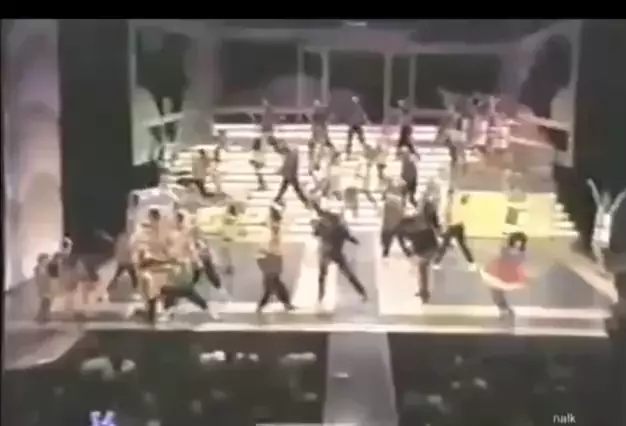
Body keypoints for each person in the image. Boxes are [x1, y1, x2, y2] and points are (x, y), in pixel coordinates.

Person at [310, 199, 368, 307]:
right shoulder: (339, 227)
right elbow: (349, 237)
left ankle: (320, 296)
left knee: (322, 276)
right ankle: (362, 292)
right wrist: (355, 241)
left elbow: (315, 233)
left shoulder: (324, 224)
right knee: (348, 274)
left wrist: (316, 226)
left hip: (326, 253)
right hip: (336, 253)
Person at [396, 200, 442, 303]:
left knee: (422, 268)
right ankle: (423, 291)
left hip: (427, 247)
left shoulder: (407, 225)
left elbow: (402, 240)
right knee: (422, 268)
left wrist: (407, 250)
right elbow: (401, 240)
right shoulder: (409, 224)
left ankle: (424, 293)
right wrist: (407, 250)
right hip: (427, 246)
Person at [256, 202, 295, 313]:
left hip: (272, 255)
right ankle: (283, 303)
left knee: (272, 281)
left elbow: (272, 240)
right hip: (270, 256)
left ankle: (280, 303)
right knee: (273, 281)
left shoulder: (274, 225)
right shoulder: (273, 225)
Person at [480, 232, 528, 320]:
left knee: (498, 292)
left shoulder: (521, 253)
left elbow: (520, 262)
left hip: (511, 273)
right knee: (496, 292)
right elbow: (496, 258)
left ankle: (505, 310)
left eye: (520, 242)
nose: (518, 244)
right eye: (516, 242)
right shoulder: (504, 250)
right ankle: (504, 309)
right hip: (501, 272)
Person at [432, 193, 476, 270]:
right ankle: (471, 263)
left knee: (445, 245)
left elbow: (447, 216)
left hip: (454, 227)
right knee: (461, 245)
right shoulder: (455, 204)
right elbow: (448, 216)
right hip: (458, 226)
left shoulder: (452, 204)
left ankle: (436, 263)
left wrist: (445, 225)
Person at [272, 139, 310, 207]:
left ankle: (306, 201)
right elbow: (287, 163)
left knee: (293, 188)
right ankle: (277, 199)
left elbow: (288, 164)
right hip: (291, 173)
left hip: (291, 174)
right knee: (286, 187)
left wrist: (280, 171)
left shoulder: (290, 152)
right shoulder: (291, 151)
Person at [380, 178, 412, 258]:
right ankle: (406, 251)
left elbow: (383, 199)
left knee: (390, 235)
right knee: (399, 236)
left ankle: (386, 251)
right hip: (396, 218)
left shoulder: (390, 192)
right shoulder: (399, 196)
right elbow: (402, 207)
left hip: (390, 217)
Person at [308, 99, 335, 174]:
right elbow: (324, 125)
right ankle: (316, 163)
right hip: (320, 132)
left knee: (315, 148)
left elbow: (313, 124)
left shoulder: (315, 114)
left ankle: (313, 165)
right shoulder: (320, 114)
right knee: (321, 148)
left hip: (317, 132)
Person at [34, 253, 53, 322]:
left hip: (47, 287)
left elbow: (50, 278)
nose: (47, 261)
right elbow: (37, 279)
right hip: (41, 287)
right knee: (44, 302)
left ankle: (43, 316)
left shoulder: (48, 268)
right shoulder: (37, 268)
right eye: (46, 260)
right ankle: (42, 317)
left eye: (47, 260)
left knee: (46, 302)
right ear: (41, 260)